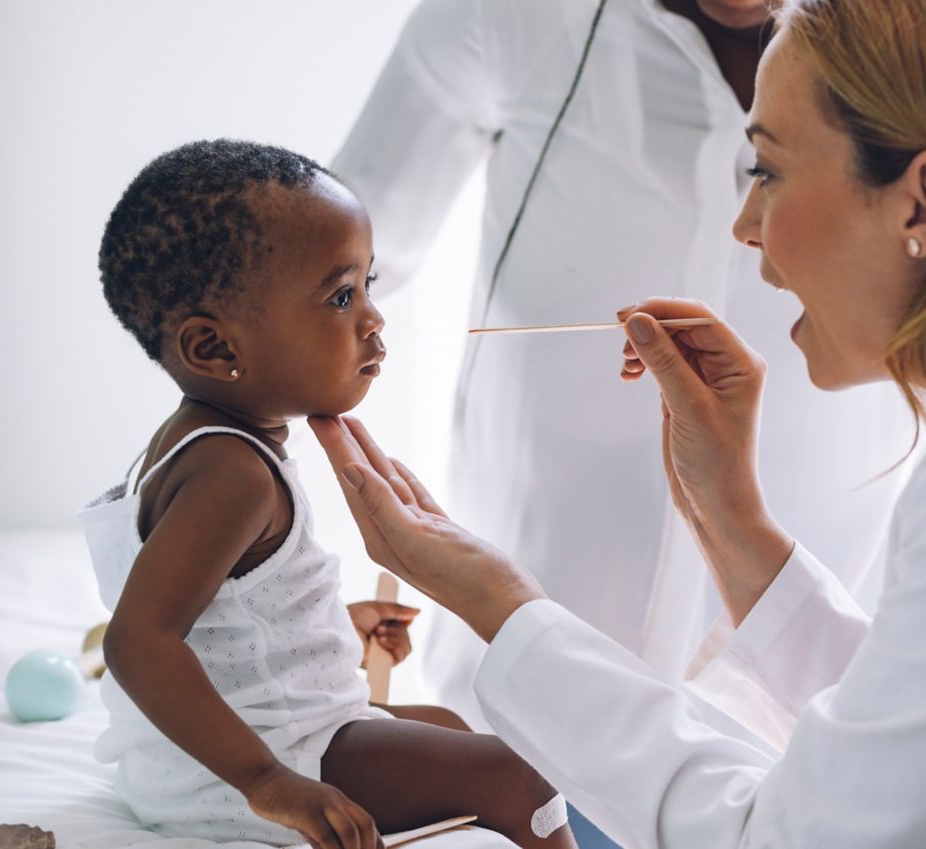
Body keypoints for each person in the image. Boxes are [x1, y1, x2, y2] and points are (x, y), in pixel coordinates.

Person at [309, 0, 926, 844]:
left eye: (765, 170)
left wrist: (502, 606)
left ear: (924, 202)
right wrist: (729, 516)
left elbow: (793, 838)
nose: (744, 225)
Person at [331, 0, 915, 734]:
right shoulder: (505, 19)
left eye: (765, 172)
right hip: (517, 720)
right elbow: (322, 274)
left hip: (797, 722)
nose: (748, 230)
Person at [77, 139, 579, 849]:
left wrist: (334, 628)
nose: (373, 318)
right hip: (243, 767)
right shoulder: (234, 473)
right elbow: (137, 641)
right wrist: (269, 782)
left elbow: (225, 624)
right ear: (215, 350)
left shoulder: (195, 445)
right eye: (341, 296)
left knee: (447, 724)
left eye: (369, 284)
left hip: (202, 756)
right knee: (522, 775)